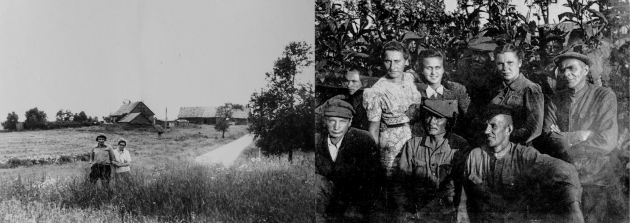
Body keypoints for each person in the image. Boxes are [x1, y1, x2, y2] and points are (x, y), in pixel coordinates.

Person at [460, 107, 583, 222]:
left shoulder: (524, 156)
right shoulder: (475, 156)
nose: (487, 131)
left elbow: (567, 171)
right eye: (486, 126)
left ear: (509, 129)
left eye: (493, 126)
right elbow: (464, 196)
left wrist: (573, 207)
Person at [543, 52, 623, 222]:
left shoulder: (603, 96)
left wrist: (565, 141)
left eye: (572, 68)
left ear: (586, 70)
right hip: (565, 177)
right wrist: (582, 135)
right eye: (563, 70)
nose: (566, 74)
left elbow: (607, 141)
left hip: (596, 178)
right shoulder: (555, 101)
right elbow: (548, 137)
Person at [394, 100, 470, 222]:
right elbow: (400, 182)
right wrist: (403, 211)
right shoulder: (413, 145)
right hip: (417, 212)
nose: (431, 122)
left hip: (447, 213)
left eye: (438, 118)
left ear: (449, 121)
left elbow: (462, 186)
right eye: (429, 116)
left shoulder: (459, 146)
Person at [316, 99, 384, 222]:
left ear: (350, 122)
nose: (336, 127)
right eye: (332, 121)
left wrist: (355, 208)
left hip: (355, 201)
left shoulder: (363, 140)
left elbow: (374, 180)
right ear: (325, 121)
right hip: (326, 201)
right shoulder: (317, 141)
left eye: (342, 121)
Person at [363, 40, 423, 175]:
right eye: (387, 61)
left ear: (406, 61)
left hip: (417, 138)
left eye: (397, 61)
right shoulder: (376, 91)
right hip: (392, 145)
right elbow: (373, 131)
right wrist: (375, 158)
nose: (392, 66)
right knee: (395, 185)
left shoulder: (410, 78)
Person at [488, 44, 544, 145]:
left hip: (519, 149)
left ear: (520, 63)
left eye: (510, 63)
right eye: (500, 63)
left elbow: (534, 129)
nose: (505, 68)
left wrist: (504, 139)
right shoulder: (496, 90)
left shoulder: (530, 89)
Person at [409, 49, 471, 137]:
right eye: (429, 68)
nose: (433, 73)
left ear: (443, 69)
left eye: (437, 67)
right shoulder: (415, 91)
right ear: (422, 70)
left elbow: (468, 117)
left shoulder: (456, 90)